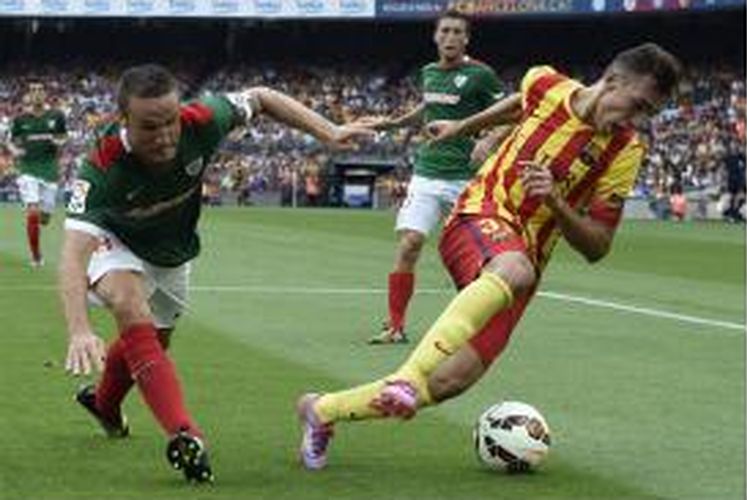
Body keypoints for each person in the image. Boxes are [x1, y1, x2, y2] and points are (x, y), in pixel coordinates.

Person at [296, 43, 682, 470]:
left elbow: (598, 246)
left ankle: (321, 410)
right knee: (512, 267)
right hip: (479, 216)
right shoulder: (546, 82)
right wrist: (464, 129)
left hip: (525, 262)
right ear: (612, 81)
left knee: (450, 380)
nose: (637, 120)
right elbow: (520, 103)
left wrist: (554, 201)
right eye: (638, 105)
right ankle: (405, 376)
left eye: (648, 113)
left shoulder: (624, 151)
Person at [59, 64, 372, 483]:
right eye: (150, 127)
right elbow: (72, 257)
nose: (166, 135)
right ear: (124, 121)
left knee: (156, 341)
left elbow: (262, 95)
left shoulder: (202, 120)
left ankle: (105, 404)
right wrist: (79, 329)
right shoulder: (102, 167)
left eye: (170, 121)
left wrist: (328, 130)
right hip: (116, 243)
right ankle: (186, 437)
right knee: (130, 306)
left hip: (173, 250)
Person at [353, 9, 508, 344]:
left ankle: (475, 324)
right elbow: (428, 109)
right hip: (427, 171)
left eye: (457, 32)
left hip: (465, 178)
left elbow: (514, 113)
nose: (450, 37)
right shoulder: (429, 72)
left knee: (466, 255)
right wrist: (392, 124)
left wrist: (489, 139)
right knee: (409, 244)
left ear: (466, 39)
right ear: (435, 36)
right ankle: (395, 326)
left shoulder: (481, 75)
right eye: (445, 31)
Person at [10, 81, 67, 266]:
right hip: (28, 169)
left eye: (40, 89)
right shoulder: (21, 119)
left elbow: (63, 136)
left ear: (45, 94)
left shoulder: (56, 116)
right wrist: (15, 151)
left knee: (45, 218)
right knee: (33, 213)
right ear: (28, 95)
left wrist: (59, 143)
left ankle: (41, 216)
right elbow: (11, 141)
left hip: (49, 170)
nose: (37, 93)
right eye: (33, 90)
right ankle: (36, 257)